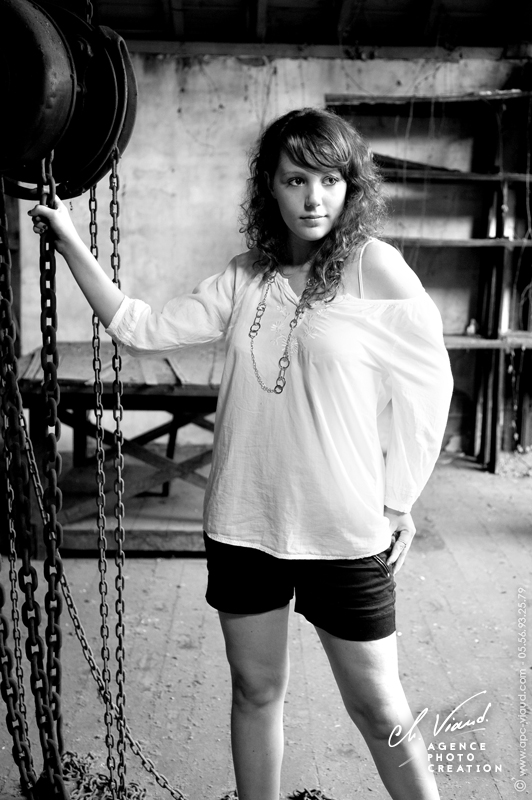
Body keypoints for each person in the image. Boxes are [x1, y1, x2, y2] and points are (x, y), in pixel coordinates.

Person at [30, 107, 453, 800]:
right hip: (243, 525)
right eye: (295, 179)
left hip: (342, 532)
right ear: (270, 187)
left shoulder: (375, 269)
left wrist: (398, 495)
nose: (312, 197)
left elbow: (428, 385)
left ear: (350, 188)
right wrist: (70, 237)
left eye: (328, 180)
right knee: (256, 692)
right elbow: (139, 328)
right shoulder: (245, 276)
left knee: (379, 710)